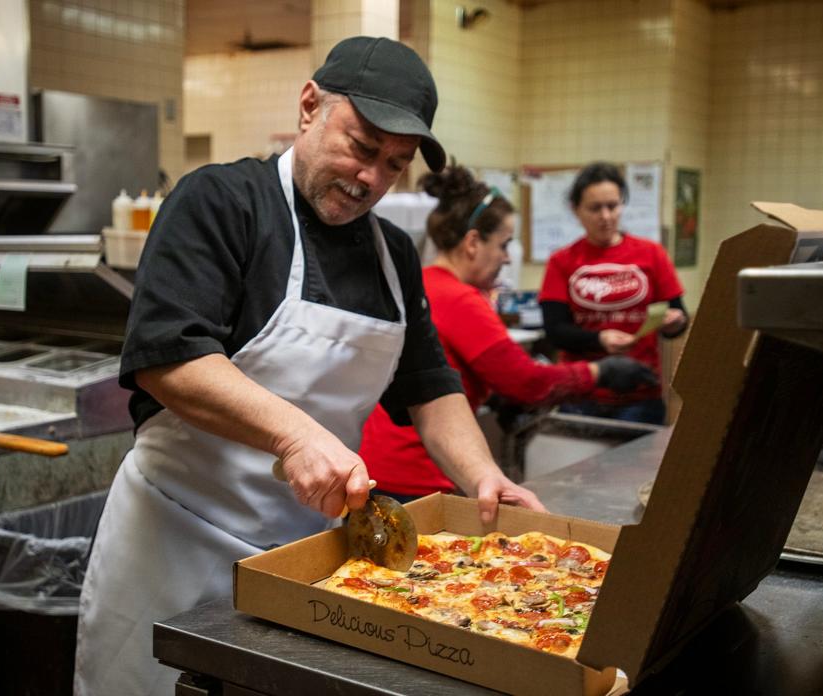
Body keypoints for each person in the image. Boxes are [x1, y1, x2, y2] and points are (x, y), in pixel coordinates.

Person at [73, 36, 544, 696]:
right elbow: (168, 358)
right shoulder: (221, 201)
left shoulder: (393, 257)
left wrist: (485, 478)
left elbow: (429, 386)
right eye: (361, 146)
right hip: (173, 543)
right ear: (308, 107)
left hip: (308, 559)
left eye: (394, 164)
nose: (371, 178)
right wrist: (295, 435)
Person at [358, 165, 657, 500]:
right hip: (417, 473)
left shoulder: (424, 281)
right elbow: (526, 382)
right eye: (504, 245)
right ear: (473, 242)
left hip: (377, 466)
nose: (504, 259)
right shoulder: (460, 299)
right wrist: (600, 372)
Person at [538, 162, 689, 425]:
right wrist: (599, 339)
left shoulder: (651, 254)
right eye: (595, 208)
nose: (606, 216)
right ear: (576, 210)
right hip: (580, 396)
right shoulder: (562, 261)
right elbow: (555, 331)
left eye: (613, 205)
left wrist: (675, 322)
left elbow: (678, 317)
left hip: (640, 394)